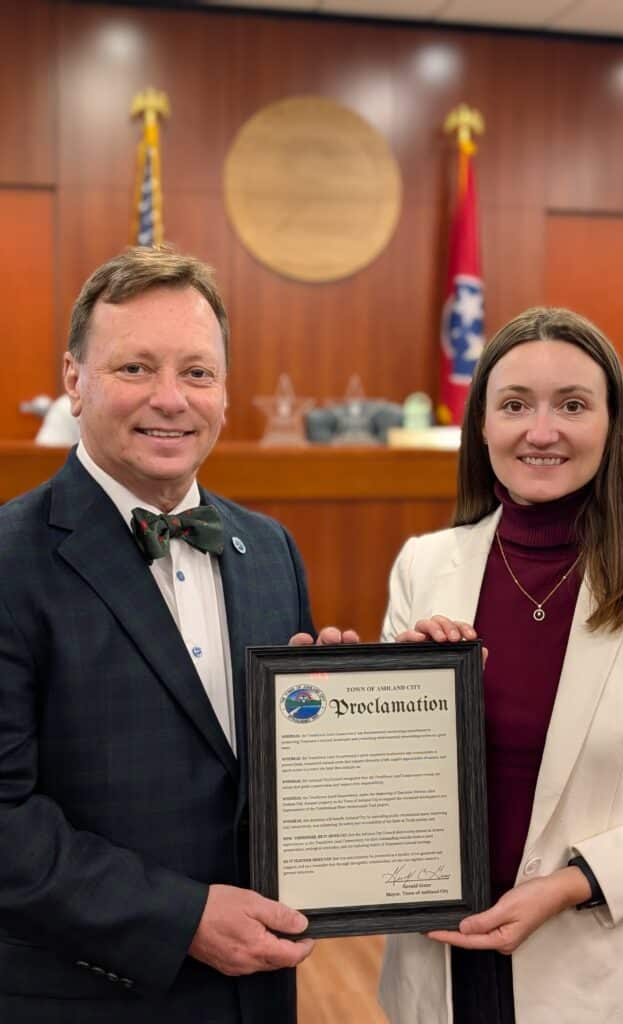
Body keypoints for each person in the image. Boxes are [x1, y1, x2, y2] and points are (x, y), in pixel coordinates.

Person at [378, 307, 623, 1024]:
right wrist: (381, 703)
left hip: (606, 977)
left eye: (572, 405)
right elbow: (390, 788)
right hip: (440, 968)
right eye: (514, 405)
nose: (540, 430)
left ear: (612, 426)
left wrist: (571, 883)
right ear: (483, 426)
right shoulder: (425, 566)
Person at [0, 246, 355, 1024]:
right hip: (89, 994)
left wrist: (338, 725)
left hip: (259, 991)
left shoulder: (271, 551)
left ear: (225, 392)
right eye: (134, 369)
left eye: (197, 373)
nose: (171, 399)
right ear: (74, 379)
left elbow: (270, 777)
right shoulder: (8, 559)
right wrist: (180, 918)